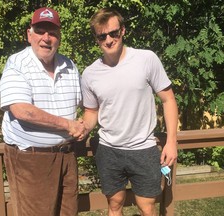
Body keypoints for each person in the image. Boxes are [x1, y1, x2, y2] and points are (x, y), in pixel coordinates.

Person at [81, 8, 178, 216]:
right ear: (96, 39)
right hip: (108, 149)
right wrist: (81, 128)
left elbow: (168, 99)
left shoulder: (146, 59)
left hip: (143, 148)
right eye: (102, 35)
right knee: (114, 205)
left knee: (147, 207)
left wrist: (171, 142)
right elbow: (91, 113)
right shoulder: (89, 74)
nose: (108, 40)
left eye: (113, 33)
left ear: (123, 31)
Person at [0, 7, 85, 216]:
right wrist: (68, 125)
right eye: (40, 31)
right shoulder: (17, 64)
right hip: (31, 160)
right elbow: (21, 110)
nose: (46, 38)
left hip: (67, 155)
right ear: (29, 34)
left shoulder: (69, 66)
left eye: (52, 32)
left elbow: (82, 104)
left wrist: (84, 125)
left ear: (60, 37)